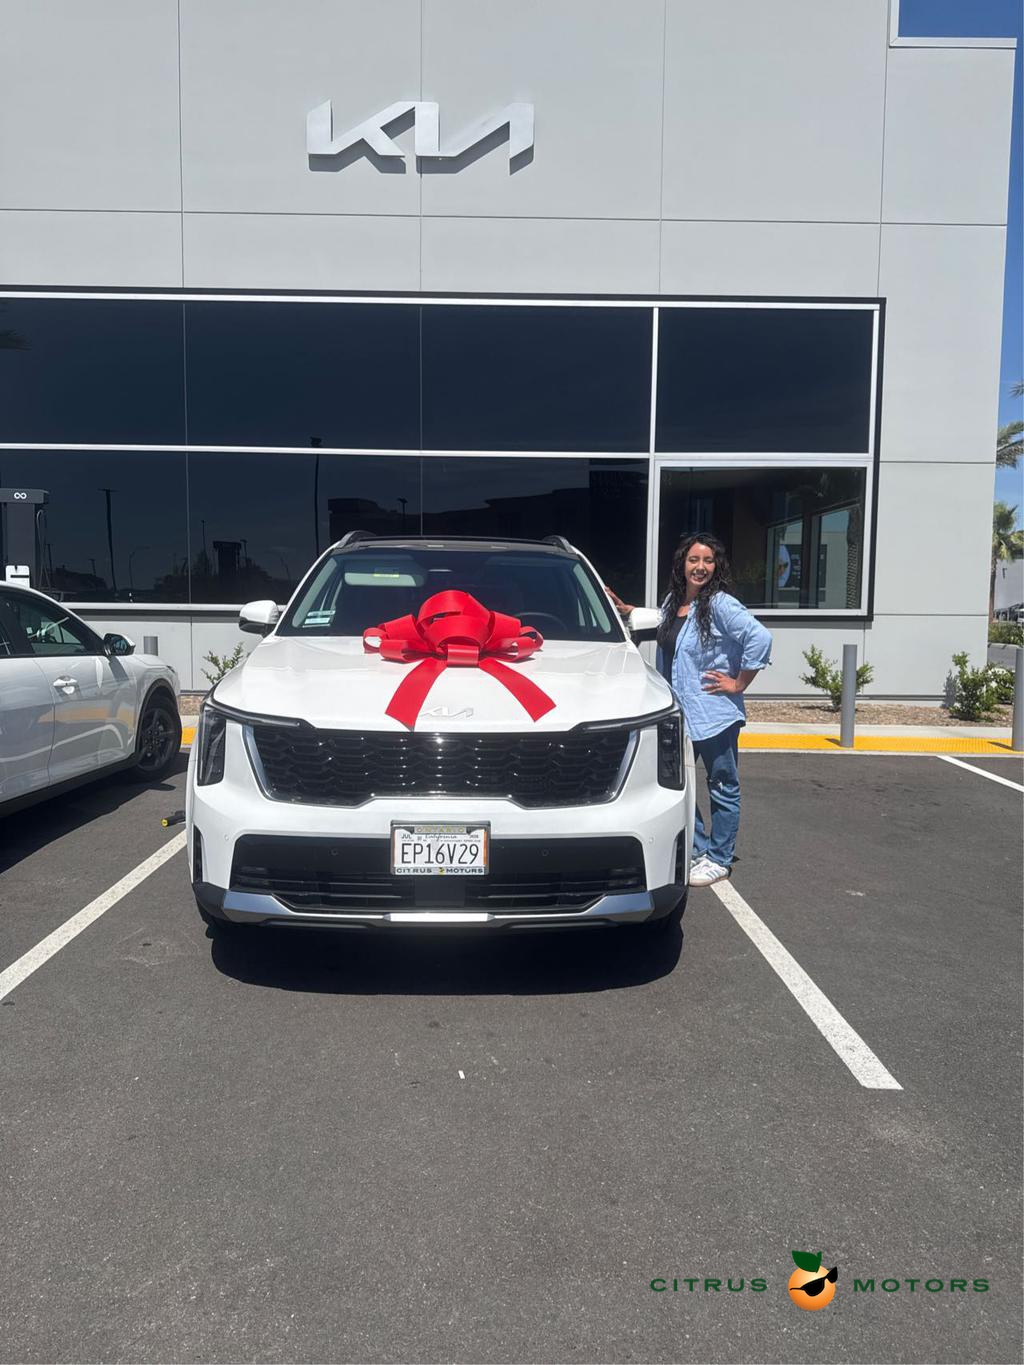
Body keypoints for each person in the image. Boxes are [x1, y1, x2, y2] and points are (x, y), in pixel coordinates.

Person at [607, 533, 772, 888]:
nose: (700, 567)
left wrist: (738, 683)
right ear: (682, 564)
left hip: (714, 714)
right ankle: (699, 848)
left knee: (722, 785)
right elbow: (664, 623)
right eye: (694, 560)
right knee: (681, 785)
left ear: (717, 566)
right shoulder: (675, 601)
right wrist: (629, 611)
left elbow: (760, 637)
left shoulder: (721, 604)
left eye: (708, 561)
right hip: (680, 714)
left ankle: (719, 858)